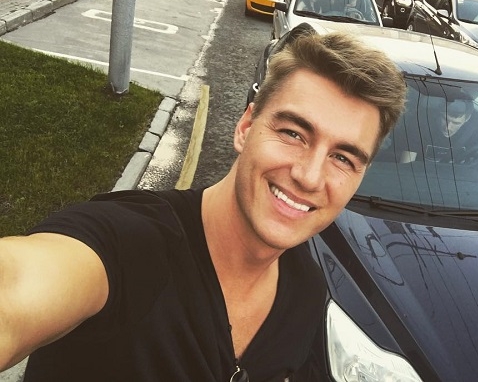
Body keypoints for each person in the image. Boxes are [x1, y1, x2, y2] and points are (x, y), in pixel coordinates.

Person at [0, 31, 406, 381]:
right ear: (245, 127)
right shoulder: (129, 244)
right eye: (293, 133)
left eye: (343, 158)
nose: (310, 177)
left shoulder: (306, 293)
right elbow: (20, 286)